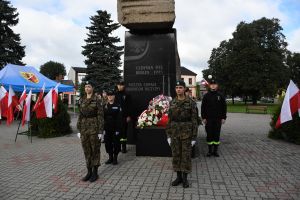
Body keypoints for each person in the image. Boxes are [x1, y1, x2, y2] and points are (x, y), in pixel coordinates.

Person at [166, 80, 198, 188]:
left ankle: (185, 178)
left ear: (184, 89)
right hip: (174, 133)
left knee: (186, 156)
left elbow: (194, 120)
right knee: (176, 155)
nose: (178, 89)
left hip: (187, 134)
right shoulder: (172, 102)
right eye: (177, 87)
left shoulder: (191, 103)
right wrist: (168, 135)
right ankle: (178, 177)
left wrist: (194, 137)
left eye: (180, 87)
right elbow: (169, 120)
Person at [77, 81, 104, 182]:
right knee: (86, 150)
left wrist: (101, 131)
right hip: (84, 129)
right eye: (85, 87)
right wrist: (79, 129)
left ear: (92, 88)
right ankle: (89, 171)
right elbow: (80, 115)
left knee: (95, 150)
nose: (87, 88)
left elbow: (101, 116)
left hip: (94, 128)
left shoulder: (97, 99)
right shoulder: (81, 100)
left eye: (89, 87)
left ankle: (95, 172)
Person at [201, 77, 227, 157]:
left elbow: (224, 107)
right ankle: (209, 151)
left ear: (217, 86)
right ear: (209, 86)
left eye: (214, 84)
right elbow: (203, 107)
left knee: (216, 134)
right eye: (211, 84)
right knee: (209, 134)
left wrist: (223, 118)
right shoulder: (206, 96)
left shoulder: (220, 96)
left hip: (218, 119)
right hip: (208, 119)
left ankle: (215, 151)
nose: (213, 86)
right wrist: (203, 117)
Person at [103, 89, 122, 165]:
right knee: (108, 143)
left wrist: (118, 129)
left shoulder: (118, 106)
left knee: (116, 143)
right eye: (109, 95)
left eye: (111, 95)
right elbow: (102, 118)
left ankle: (115, 158)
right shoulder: (104, 106)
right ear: (107, 96)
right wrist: (103, 129)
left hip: (115, 128)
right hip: (107, 128)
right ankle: (110, 157)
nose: (110, 97)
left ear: (114, 96)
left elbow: (119, 119)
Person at [115, 81, 132, 153]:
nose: (120, 86)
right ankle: (117, 146)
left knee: (124, 132)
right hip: (116, 116)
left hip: (124, 116)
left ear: (124, 86)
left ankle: (124, 147)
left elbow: (129, 106)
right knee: (117, 132)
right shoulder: (115, 94)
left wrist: (128, 116)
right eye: (119, 85)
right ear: (117, 86)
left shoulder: (127, 95)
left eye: (121, 85)